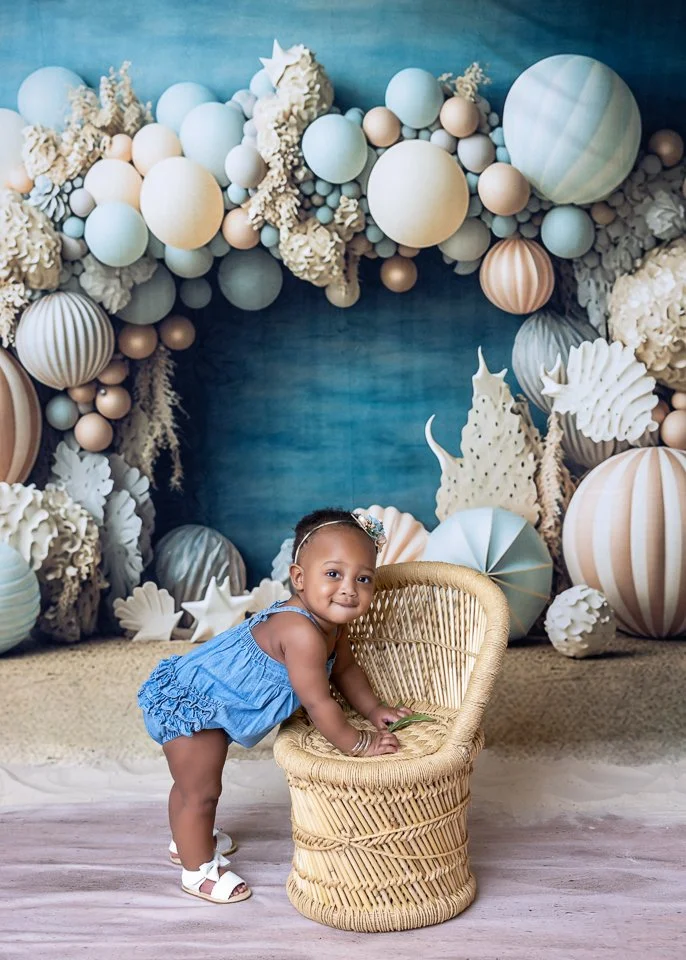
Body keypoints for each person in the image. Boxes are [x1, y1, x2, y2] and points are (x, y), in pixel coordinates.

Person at [137, 508, 413, 905]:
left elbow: (347, 670)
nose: (349, 588)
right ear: (299, 578)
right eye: (333, 574)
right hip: (193, 704)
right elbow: (319, 703)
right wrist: (359, 744)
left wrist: (373, 709)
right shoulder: (300, 631)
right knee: (199, 790)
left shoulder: (332, 626)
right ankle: (196, 870)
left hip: (214, 705)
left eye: (363, 578)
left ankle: (187, 839)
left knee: (193, 787)